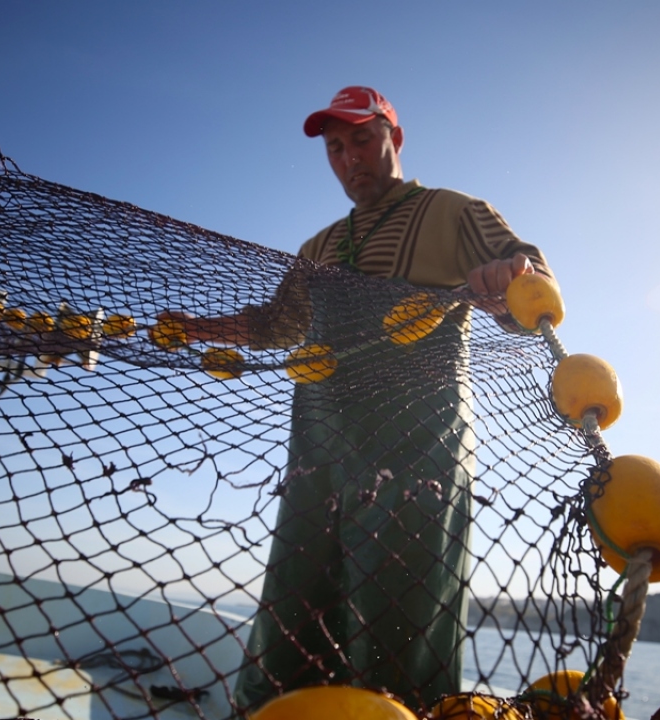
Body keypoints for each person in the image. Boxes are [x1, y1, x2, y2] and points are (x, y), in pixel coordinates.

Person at [163, 86, 555, 712]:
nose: (350, 158)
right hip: (318, 446)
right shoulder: (316, 249)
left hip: (418, 443)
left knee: (401, 609)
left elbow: (533, 280)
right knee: (297, 598)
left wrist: (506, 281)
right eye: (336, 147)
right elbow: (276, 326)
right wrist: (202, 328)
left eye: (363, 139)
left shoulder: (453, 210)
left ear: (393, 138)